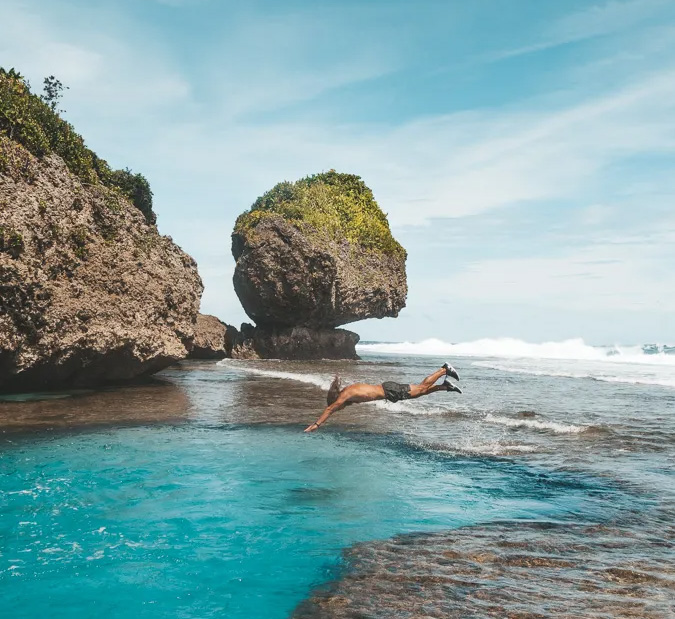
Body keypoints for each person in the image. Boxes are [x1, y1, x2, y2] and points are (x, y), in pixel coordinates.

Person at [304, 363, 461, 432]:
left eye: (340, 406)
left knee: (421, 388)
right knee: (420, 393)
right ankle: (445, 386)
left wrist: (316, 425)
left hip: (389, 390)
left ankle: (443, 369)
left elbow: (330, 408)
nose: (341, 408)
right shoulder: (349, 390)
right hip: (388, 390)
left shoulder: (345, 395)